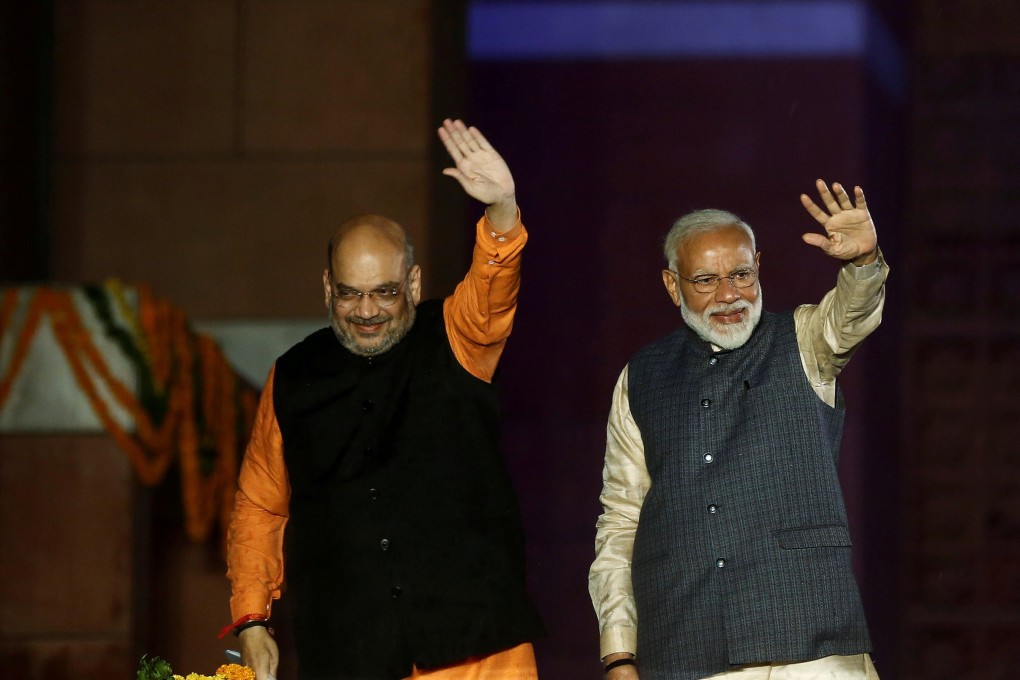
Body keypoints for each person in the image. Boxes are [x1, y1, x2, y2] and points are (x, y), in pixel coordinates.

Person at [224, 119, 545, 680]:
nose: (366, 311)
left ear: (414, 285)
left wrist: (502, 211)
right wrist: (252, 619)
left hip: (479, 655)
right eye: (349, 294)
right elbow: (260, 505)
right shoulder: (294, 375)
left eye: (385, 293)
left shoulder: (457, 336)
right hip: (349, 653)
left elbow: (494, 285)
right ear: (327, 288)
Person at [589, 180, 889, 680]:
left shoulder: (805, 339)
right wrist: (619, 651)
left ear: (759, 269)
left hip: (813, 648)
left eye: (742, 274)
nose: (729, 295)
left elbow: (851, 316)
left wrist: (863, 264)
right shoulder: (642, 376)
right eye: (706, 280)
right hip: (689, 649)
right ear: (672, 285)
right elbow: (621, 520)